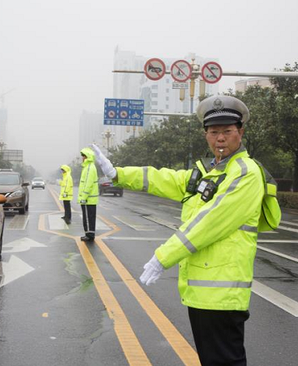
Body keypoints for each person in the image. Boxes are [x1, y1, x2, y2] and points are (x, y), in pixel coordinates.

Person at [92, 95, 281, 366]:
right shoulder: (209, 171)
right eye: (214, 132)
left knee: (224, 361)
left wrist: (163, 256)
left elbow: (209, 222)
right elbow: (162, 178)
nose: (220, 138)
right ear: (205, 135)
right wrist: (117, 173)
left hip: (222, 293)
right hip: (205, 292)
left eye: (227, 131)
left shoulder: (245, 173)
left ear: (240, 132)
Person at [78, 147, 99, 242]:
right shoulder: (89, 167)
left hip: (88, 199)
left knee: (87, 217)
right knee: (90, 217)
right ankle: (90, 234)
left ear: (88, 157)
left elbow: (88, 184)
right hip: (90, 199)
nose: (82, 158)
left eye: (84, 156)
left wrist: (84, 197)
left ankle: (89, 235)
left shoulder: (90, 168)